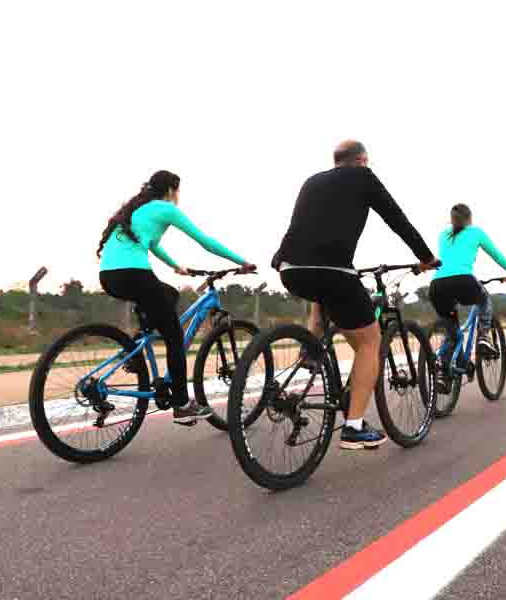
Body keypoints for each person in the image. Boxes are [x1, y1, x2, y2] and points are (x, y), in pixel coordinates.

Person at [272, 141, 439, 450]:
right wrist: (425, 256)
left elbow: (300, 226)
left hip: (290, 269)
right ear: (362, 160)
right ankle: (354, 426)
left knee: (325, 297)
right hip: (332, 270)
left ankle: (311, 350)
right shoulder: (363, 176)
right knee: (370, 342)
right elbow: (396, 219)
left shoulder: (312, 181)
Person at [98, 170, 254, 424]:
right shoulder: (166, 208)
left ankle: (136, 348)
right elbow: (205, 241)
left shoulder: (138, 209)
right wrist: (242, 262)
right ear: (172, 190)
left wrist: (174, 265)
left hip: (109, 275)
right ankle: (181, 404)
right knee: (174, 336)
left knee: (168, 293)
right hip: (134, 273)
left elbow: (150, 243)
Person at [428, 204, 506, 368]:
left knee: (452, 329)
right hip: (463, 281)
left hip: (436, 286)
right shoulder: (476, 232)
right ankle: (484, 336)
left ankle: (444, 369)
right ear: (470, 218)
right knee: (483, 299)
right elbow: (496, 254)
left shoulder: (443, 235)